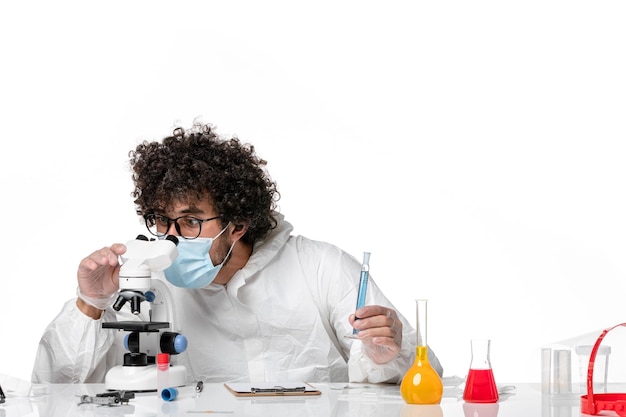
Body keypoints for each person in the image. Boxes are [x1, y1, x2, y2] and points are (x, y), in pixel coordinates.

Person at [32, 119, 443, 384]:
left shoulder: (320, 267)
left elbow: (424, 380)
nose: (171, 237)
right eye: (161, 220)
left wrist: (389, 352)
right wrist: (92, 303)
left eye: (191, 221)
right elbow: (54, 390)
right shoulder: (146, 281)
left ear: (238, 223)